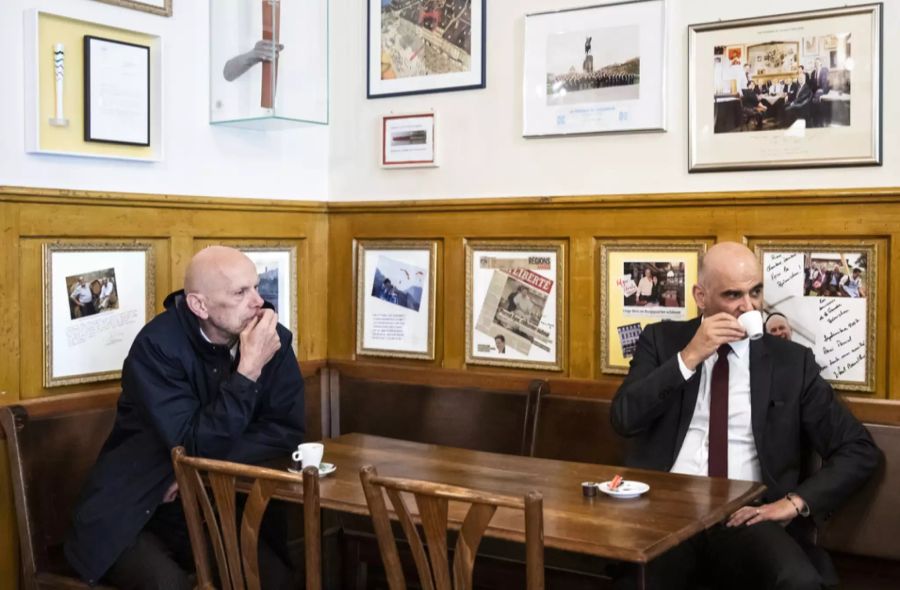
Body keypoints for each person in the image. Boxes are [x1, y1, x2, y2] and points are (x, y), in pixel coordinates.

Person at [610, 242, 878, 590]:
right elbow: (624, 418)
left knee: (799, 581)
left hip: (749, 515)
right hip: (667, 515)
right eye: (733, 295)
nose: (748, 307)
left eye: (755, 292)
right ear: (701, 296)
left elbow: (857, 449)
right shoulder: (661, 340)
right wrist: (689, 356)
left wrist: (794, 503)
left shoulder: (790, 362)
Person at [65, 246, 305, 589]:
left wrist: (198, 471)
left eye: (255, 287)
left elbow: (286, 431)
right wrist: (248, 370)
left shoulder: (271, 338)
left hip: (209, 504)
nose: (258, 302)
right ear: (199, 305)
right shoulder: (156, 347)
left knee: (273, 579)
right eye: (240, 292)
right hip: (137, 511)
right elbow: (192, 442)